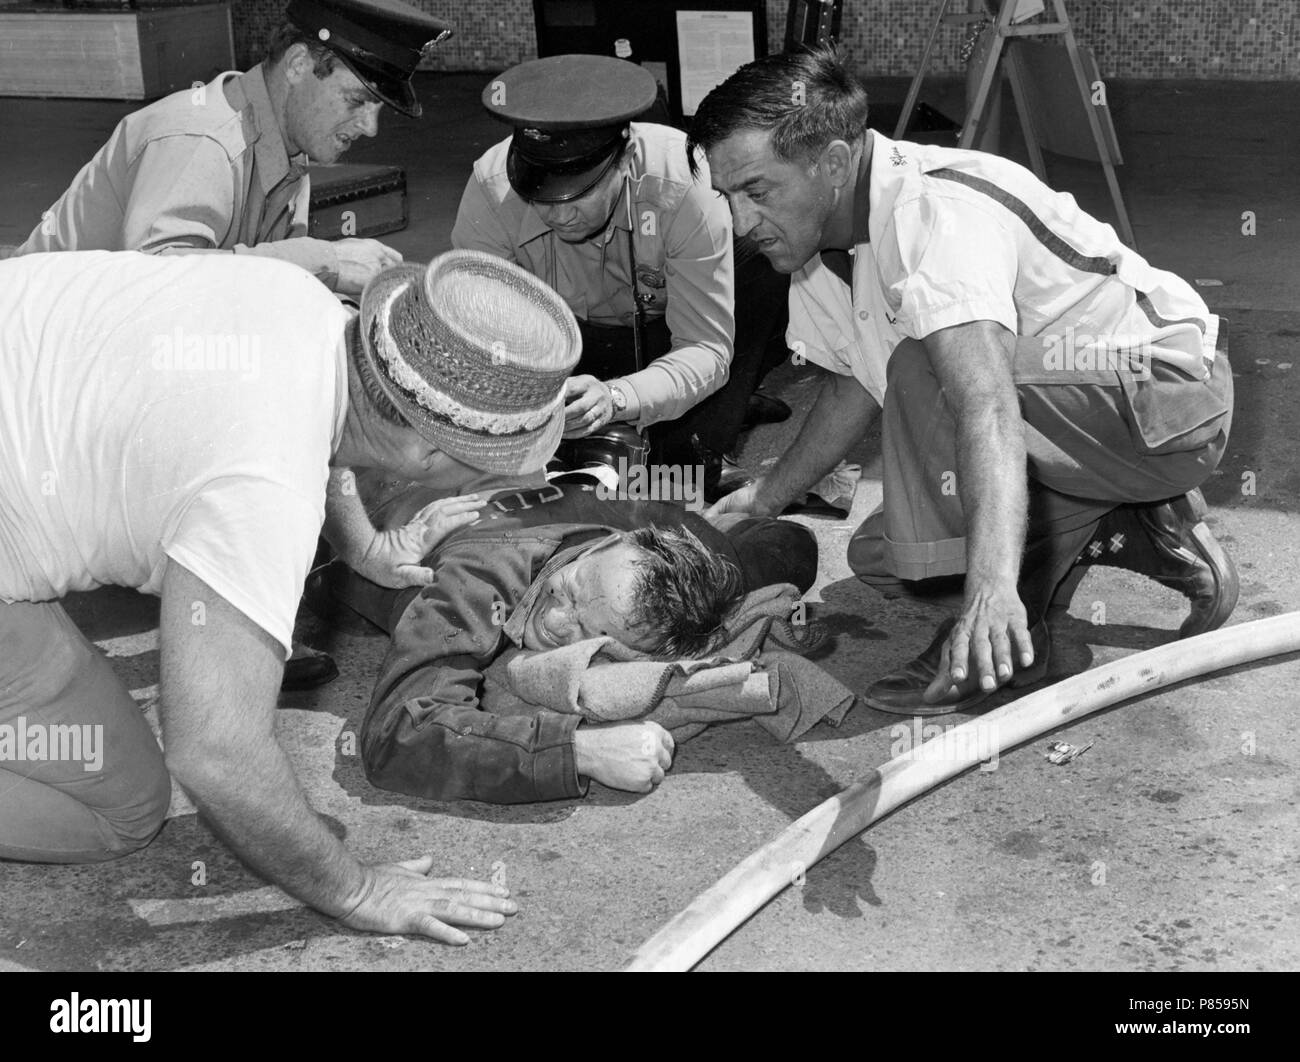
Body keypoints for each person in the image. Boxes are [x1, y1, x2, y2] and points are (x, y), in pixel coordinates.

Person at [0, 247, 584, 942]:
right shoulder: (265, 488)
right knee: (122, 806)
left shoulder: (304, 306)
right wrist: (357, 890)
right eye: (478, 473)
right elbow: (214, 754)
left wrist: (366, 546)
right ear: (428, 456)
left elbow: (333, 435)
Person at [692, 48, 1237, 714]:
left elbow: (984, 403)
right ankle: (1128, 522)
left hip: (1171, 400)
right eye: (726, 195)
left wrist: (989, 589)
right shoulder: (820, 247)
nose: (741, 223)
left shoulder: (934, 216)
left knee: (929, 367)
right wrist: (761, 501)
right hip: (1090, 427)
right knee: (887, 557)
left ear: (832, 163)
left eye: (756, 190)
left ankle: (1008, 637)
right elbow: (852, 387)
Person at [308, 482, 817, 804]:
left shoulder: (673, 533)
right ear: (615, 543)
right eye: (571, 589)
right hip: (364, 505)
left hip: (522, 483)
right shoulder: (476, 583)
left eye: (588, 632)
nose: (553, 620)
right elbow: (398, 734)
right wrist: (576, 751)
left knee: (792, 551)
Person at [452, 54, 790, 498]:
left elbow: (703, 348)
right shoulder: (492, 191)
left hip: (668, 333)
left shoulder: (687, 184)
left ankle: (719, 415)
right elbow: (476, 342)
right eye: (541, 196)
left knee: (671, 484)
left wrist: (615, 399)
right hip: (563, 347)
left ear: (626, 158)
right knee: (573, 481)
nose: (559, 214)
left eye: (579, 193)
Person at [15, 0, 451, 298]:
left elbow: (256, 280)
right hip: (36, 359)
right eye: (358, 101)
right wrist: (327, 260)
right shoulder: (202, 139)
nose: (371, 129)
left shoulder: (288, 153)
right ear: (299, 65)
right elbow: (154, 285)